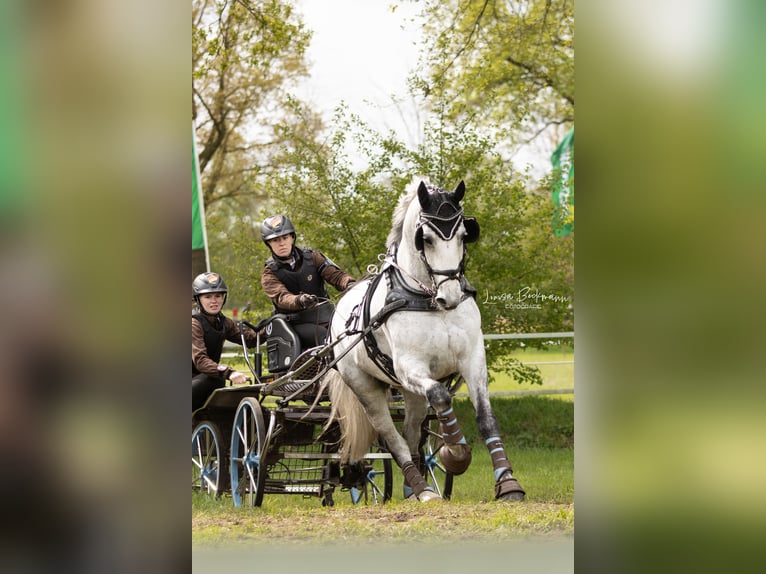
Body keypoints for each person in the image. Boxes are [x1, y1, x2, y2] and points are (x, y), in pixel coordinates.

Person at [260, 214, 356, 350]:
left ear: (292, 237)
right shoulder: (269, 273)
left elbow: (336, 276)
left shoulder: (312, 256)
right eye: (275, 240)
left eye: (285, 238)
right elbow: (282, 297)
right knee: (327, 337)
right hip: (295, 324)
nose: (281, 243)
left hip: (327, 317)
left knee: (354, 329)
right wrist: (300, 300)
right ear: (268, 243)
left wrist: (350, 284)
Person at [192, 271, 260, 412]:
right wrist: (229, 373)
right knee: (216, 380)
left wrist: (271, 327)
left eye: (218, 296)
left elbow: (251, 339)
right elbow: (200, 361)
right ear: (198, 299)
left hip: (201, 382)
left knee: (218, 383)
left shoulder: (223, 322)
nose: (214, 301)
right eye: (208, 296)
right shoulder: (193, 324)